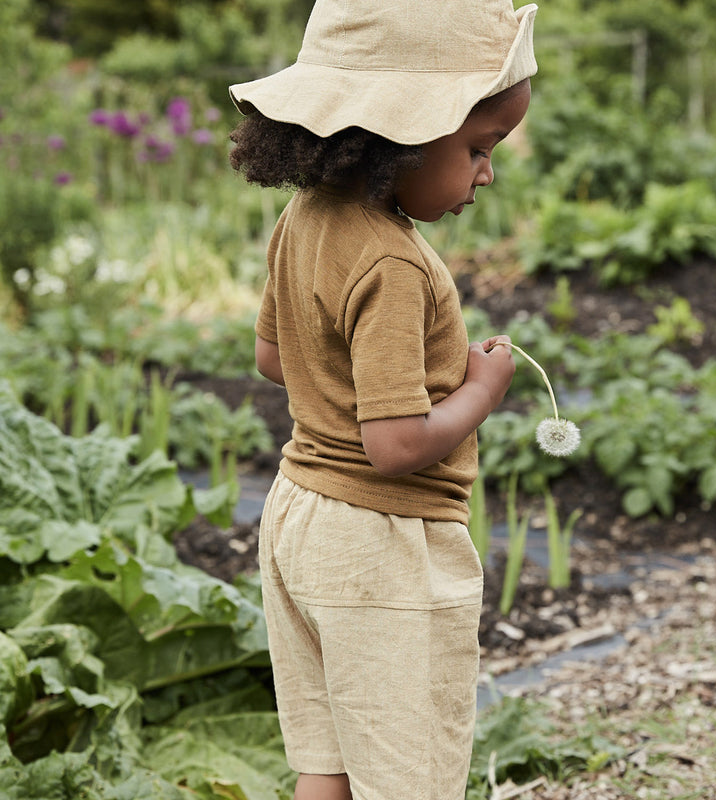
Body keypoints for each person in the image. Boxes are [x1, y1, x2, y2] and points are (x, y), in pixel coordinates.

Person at [228, 2, 537, 798]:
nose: (486, 173)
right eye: (477, 148)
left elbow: (273, 356)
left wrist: (359, 378)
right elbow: (395, 446)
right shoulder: (395, 264)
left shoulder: (306, 218)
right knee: (408, 780)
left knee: (326, 768)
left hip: (298, 519)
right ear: (403, 132)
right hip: (380, 548)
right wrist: (481, 389)